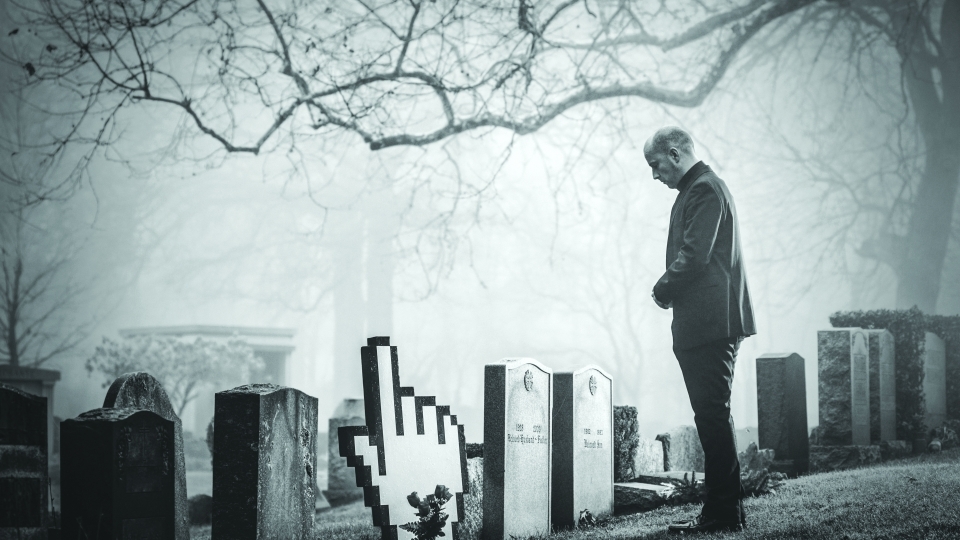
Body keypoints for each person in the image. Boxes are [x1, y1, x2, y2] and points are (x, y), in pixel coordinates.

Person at [644, 126, 757, 534]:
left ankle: (723, 515)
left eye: (656, 165)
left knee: (711, 416)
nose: (655, 175)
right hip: (708, 323)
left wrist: (662, 288)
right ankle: (723, 512)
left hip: (712, 324)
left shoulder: (706, 190)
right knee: (712, 416)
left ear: (674, 154)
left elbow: (694, 255)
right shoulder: (698, 190)